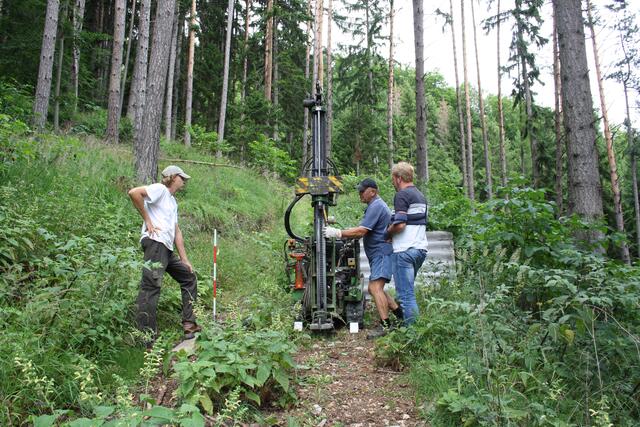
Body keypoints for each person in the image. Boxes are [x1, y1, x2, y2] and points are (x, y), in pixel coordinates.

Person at [128, 165, 201, 344]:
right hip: (155, 243)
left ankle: (189, 324)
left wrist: (184, 259)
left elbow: (177, 232)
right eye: (182, 178)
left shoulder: (172, 201)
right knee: (151, 286)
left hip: (166, 249)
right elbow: (134, 193)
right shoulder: (160, 189)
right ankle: (145, 338)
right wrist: (148, 220)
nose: (184, 181)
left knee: (188, 277)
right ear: (173, 177)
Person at [324, 178, 403, 339]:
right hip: (378, 254)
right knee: (374, 288)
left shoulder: (376, 206)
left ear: (372, 191)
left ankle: (385, 325)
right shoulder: (373, 206)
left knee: (375, 288)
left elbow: (361, 231)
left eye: (363, 191)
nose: (360, 194)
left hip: (381, 253)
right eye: (359, 191)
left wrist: (337, 233)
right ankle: (401, 317)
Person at [386, 162, 428, 326]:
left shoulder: (402, 195)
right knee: (406, 292)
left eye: (393, 179)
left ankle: (412, 334)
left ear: (398, 178)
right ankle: (404, 325)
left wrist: (388, 233)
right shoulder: (420, 196)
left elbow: (401, 224)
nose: (393, 182)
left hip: (404, 251)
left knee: (406, 295)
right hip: (420, 250)